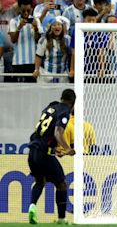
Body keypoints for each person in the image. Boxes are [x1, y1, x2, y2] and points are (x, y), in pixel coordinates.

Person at [27, 89, 76, 224]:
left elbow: (43, 133)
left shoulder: (50, 108)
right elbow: (57, 133)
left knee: (40, 181)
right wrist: (68, 149)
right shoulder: (65, 112)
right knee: (61, 184)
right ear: (73, 103)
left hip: (32, 150)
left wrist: (54, 149)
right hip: (44, 154)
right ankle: (61, 219)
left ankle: (32, 206)